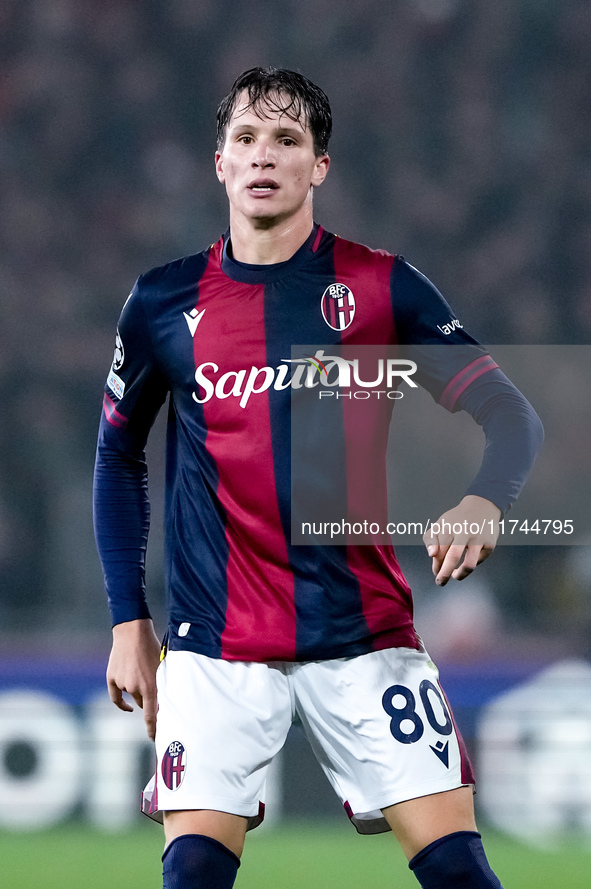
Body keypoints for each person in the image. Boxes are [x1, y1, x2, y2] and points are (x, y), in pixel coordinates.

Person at [93, 67, 543, 889]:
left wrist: (484, 499)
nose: (265, 155)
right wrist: (129, 618)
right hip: (213, 644)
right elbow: (116, 456)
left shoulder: (379, 286)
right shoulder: (162, 301)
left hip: (361, 631)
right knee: (191, 872)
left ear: (319, 166)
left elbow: (513, 415)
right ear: (220, 163)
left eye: (288, 139)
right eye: (246, 139)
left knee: (459, 876)